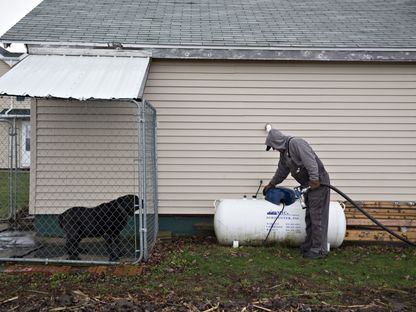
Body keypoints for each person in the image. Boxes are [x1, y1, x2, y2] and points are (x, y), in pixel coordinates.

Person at [263, 129, 330, 259]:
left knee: (318, 216)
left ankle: (319, 249)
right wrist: (272, 184)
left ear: (277, 142)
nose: (274, 150)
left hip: (318, 183)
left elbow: (310, 161)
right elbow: (281, 171)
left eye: (273, 147)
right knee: (310, 216)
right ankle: (310, 245)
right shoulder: (284, 154)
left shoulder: (296, 143)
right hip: (309, 185)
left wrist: (315, 179)